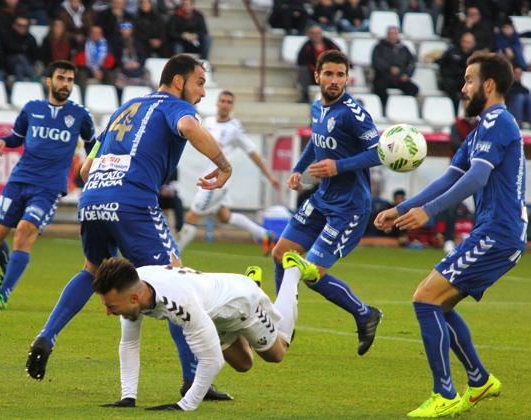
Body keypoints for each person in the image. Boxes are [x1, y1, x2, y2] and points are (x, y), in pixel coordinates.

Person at [25, 54, 234, 404]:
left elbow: (85, 170)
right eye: (199, 84)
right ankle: (191, 379)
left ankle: (48, 334)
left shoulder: (126, 107)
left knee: (93, 269)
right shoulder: (172, 106)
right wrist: (223, 165)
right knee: (177, 279)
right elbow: (188, 127)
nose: (202, 94)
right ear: (179, 82)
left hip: (92, 199)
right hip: (131, 201)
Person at [375, 51, 526, 417]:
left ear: (488, 85)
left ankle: (444, 393)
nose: (463, 88)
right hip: (492, 231)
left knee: (425, 298)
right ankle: (479, 381)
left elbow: (477, 178)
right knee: (437, 303)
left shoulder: (498, 122)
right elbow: (451, 177)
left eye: (469, 80)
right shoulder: (480, 131)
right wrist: (401, 208)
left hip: (498, 233)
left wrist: (428, 212)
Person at [91, 251, 308, 410]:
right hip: (211, 312)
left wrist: (184, 406)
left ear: (134, 298)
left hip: (241, 304)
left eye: (111, 307)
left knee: (277, 352)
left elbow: (211, 361)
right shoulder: (132, 286)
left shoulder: (179, 304)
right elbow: (129, 344)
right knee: (244, 364)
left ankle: (292, 270)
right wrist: (128, 398)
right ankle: (253, 283)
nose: (109, 312)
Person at [271, 50, 383, 357]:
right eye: (329, 74)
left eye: (340, 75)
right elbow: (316, 142)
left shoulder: (354, 113)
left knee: (311, 274)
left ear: (348, 78)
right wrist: (299, 169)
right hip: (322, 199)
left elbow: (379, 152)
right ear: (317, 75)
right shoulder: (317, 108)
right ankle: (283, 322)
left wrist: (339, 166)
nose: (335, 81)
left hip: (349, 208)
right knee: (281, 254)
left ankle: (365, 313)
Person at [0, 60, 95, 310]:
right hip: (19, 181)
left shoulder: (79, 114)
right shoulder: (32, 108)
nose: (66, 84)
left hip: (49, 188)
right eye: (61, 78)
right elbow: (16, 137)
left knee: (24, 230)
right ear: (48, 81)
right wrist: (3, 141)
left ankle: (2, 294)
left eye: (70, 80)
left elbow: (91, 143)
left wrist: (91, 166)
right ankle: (7, 271)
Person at [177, 90, 281, 255]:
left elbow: (253, 153)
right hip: (207, 176)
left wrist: (270, 176)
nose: (225, 104)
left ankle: (172, 258)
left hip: (216, 182)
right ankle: (265, 234)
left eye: (229, 102)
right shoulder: (208, 121)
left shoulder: (235, 128)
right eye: (223, 101)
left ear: (232, 106)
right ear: (217, 103)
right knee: (225, 217)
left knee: (191, 217)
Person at [371, 26, 419, 107]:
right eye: (390, 34)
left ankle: (401, 107)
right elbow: (376, 62)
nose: (392, 36)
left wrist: (407, 74)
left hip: (399, 78)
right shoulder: (379, 47)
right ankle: (385, 107)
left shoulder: (404, 49)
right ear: (387, 35)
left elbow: (412, 63)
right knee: (379, 88)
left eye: (395, 34)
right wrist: (389, 68)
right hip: (383, 77)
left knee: (413, 89)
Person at [297, 25, 340, 103]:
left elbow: (339, 55)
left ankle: (340, 97)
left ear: (321, 34)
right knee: (302, 70)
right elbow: (301, 61)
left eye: (318, 33)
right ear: (310, 35)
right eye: (313, 33)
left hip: (330, 73)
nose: (316, 35)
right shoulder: (306, 47)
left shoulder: (329, 44)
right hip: (313, 74)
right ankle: (306, 96)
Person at [438, 31, 476, 113]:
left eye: (468, 42)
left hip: (465, 81)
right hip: (450, 80)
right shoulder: (452, 51)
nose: (465, 44)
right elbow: (442, 65)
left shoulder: (475, 55)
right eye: (464, 41)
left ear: (473, 44)